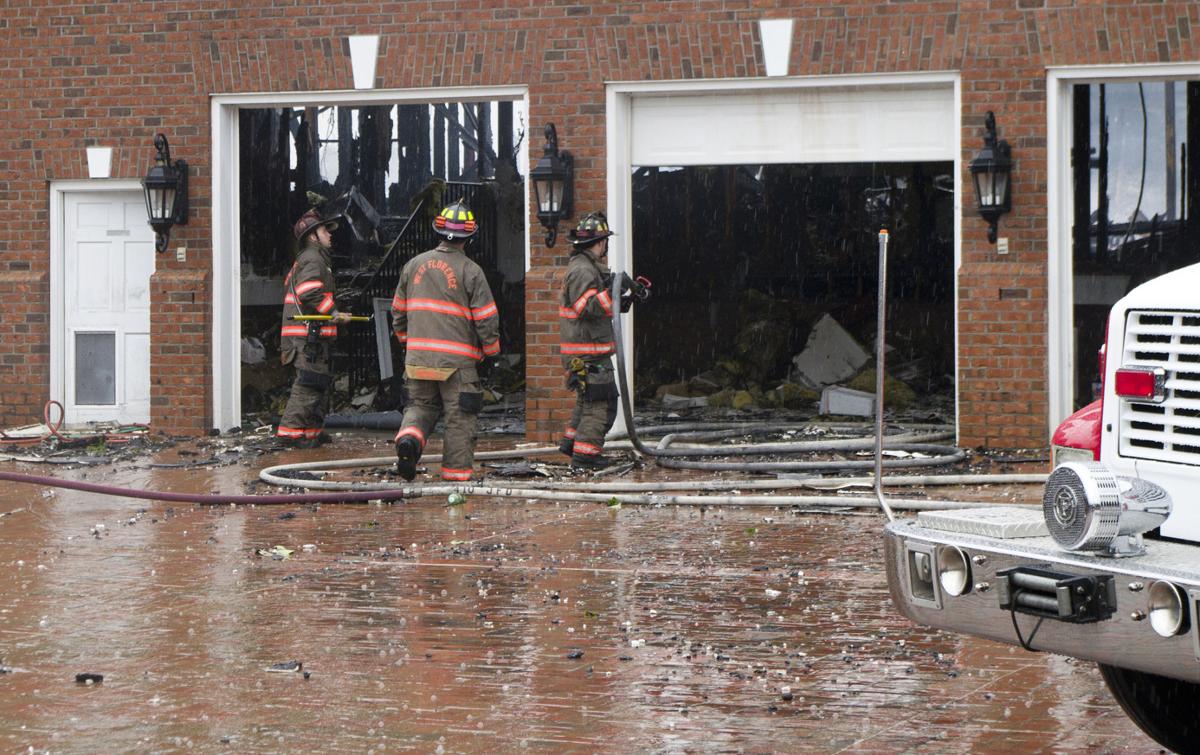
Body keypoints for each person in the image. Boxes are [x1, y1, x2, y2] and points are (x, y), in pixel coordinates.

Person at [391, 200, 500, 482]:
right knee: (459, 416)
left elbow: (398, 312)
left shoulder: (413, 265)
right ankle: (455, 475)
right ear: (470, 236)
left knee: (419, 407)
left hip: (418, 358)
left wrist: (408, 343)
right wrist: (492, 353)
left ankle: (409, 440)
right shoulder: (471, 271)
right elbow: (486, 319)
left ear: (438, 232)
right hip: (456, 364)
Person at [557, 211, 637, 472]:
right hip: (589, 355)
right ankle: (585, 458)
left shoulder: (585, 267)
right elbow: (586, 307)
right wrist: (612, 292)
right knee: (601, 406)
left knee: (588, 403)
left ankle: (572, 444)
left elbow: (595, 304)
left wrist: (620, 297)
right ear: (601, 242)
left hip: (587, 353)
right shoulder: (583, 270)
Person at [276, 207, 353, 447]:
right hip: (305, 337)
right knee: (309, 384)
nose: (330, 234)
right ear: (312, 236)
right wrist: (334, 313)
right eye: (324, 230)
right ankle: (289, 434)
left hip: (312, 337)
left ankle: (310, 433)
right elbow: (308, 292)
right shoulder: (312, 258)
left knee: (318, 384)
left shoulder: (315, 258)